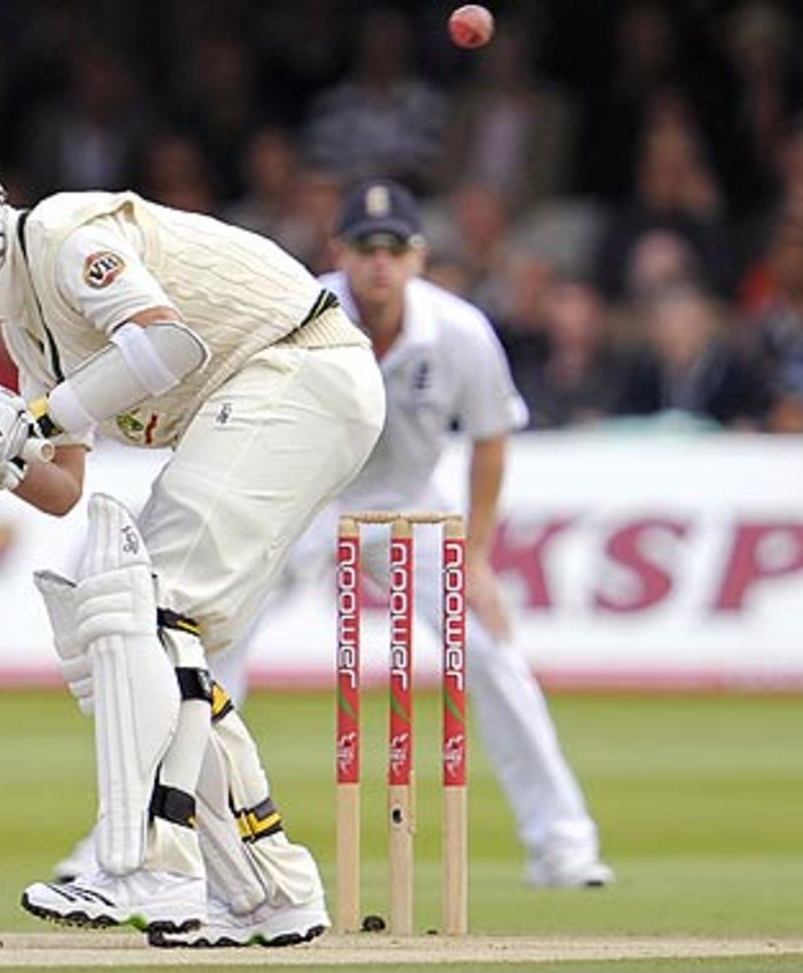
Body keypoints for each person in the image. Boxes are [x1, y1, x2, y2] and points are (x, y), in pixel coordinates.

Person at [0, 151, 385, 947]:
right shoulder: (26, 325)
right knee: (138, 624)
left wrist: (28, 423)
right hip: (261, 393)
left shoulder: (67, 234)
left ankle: (150, 863)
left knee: (148, 608)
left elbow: (169, 347)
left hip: (298, 366)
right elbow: (64, 484)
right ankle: (265, 886)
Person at [214, 178, 614, 889]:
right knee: (213, 654)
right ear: (339, 252)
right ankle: (136, 846)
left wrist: (478, 556)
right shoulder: (298, 315)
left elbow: (491, 438)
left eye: (394, 249)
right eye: (365, 248)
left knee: (493, 652)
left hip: (412, 508)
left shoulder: (458, 331)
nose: (379, 263)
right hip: (303, 501)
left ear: (418, 257)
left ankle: (564, 846)